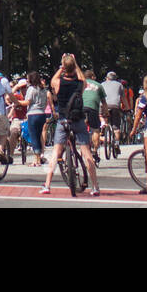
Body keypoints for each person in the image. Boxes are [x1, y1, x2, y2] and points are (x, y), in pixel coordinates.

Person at [40, 54, 99, 196]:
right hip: (78, 120)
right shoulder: (80, 84)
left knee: (56, 152)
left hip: (63, 120)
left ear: (64, 68)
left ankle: (47, 185)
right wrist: (75, 63)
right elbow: (83, 79)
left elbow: (53, 79)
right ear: (74, 67)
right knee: (87, 153)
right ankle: (95, 187)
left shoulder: (58, 82)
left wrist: (62, 66)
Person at [22, 71, 50, 167]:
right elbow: (46, 102)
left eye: (28, 78)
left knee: (33, 136)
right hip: (42, 114)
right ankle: (39, 157)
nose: (27, 80)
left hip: (33, 114)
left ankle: (36, 160)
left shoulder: (31, 89)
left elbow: (27, 102)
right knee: (38, 136)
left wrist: (17, 102)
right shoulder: (43, 90)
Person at [81, 68, 104, 154]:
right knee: (95, 129)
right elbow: (104, 102)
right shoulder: (98, 85)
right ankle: (95, 150)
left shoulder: (80, 84)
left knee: (80, 128)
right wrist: (106, 112)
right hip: (93, 108)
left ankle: (82, 147)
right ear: (92, 77)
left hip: (81, 108)